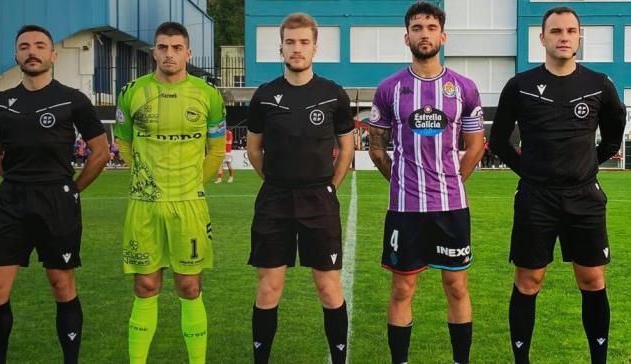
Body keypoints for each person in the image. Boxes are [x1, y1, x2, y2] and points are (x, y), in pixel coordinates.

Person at [489, 7, 626, 364]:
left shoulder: (599, 85)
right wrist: (530, 172)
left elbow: (614, 133)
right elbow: (500, 140)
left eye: (570, 31)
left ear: (579, 37)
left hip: (584, 197)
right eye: (556, 31)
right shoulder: (519, 86)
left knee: (592, 280)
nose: (564, 37)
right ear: (542, 38)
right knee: (529, 280)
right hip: (536, 198)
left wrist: (589, 165)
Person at [0, 25, 109, 364]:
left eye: (39, 45)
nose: (31, 51)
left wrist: (73, 189)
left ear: (53, 55)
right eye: (24, 46)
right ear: (16, 55)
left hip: (57, 201)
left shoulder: (72, 99)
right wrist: (19, 181)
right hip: (11, 202)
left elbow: (100, 152)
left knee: (61, 284)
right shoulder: (2, 101)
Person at [367, 2, 485, 363]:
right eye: (417, 28)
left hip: (452, 208)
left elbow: (476, 145)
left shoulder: (464, 88)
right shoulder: (389, 89)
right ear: (406, 37)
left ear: (443, 36)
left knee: (456, 286)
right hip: (406, 210)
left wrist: (452, 180)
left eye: (431, 27)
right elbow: (376, 148)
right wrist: (403, 182)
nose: (424, 34)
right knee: (402, 288)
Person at [114, 21, 226, 364]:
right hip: (144, 206)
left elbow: (217, 151)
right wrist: (148, 182)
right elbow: (124, 145)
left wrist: (191, 185)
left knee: (189, 287)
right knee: (145, 286)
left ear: (188, 53)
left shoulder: (208, 95)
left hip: (189, 205)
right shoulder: (132, 92)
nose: (170, 54)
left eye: (177, 48)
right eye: (163, 47)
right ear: (154, 52)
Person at [246, 12, 355, 364]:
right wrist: (277, 182)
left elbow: (347, 148)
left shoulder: (333, 95)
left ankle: (339, 359)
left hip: (318, 200)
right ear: (281, 47)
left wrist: (329, 187)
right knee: (269, 288)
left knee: (328, 287)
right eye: (290, 42)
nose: (297, 49)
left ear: (315, 47)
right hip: (275, 200)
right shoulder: (264, 96)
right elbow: (253, 149)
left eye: (304, 42)